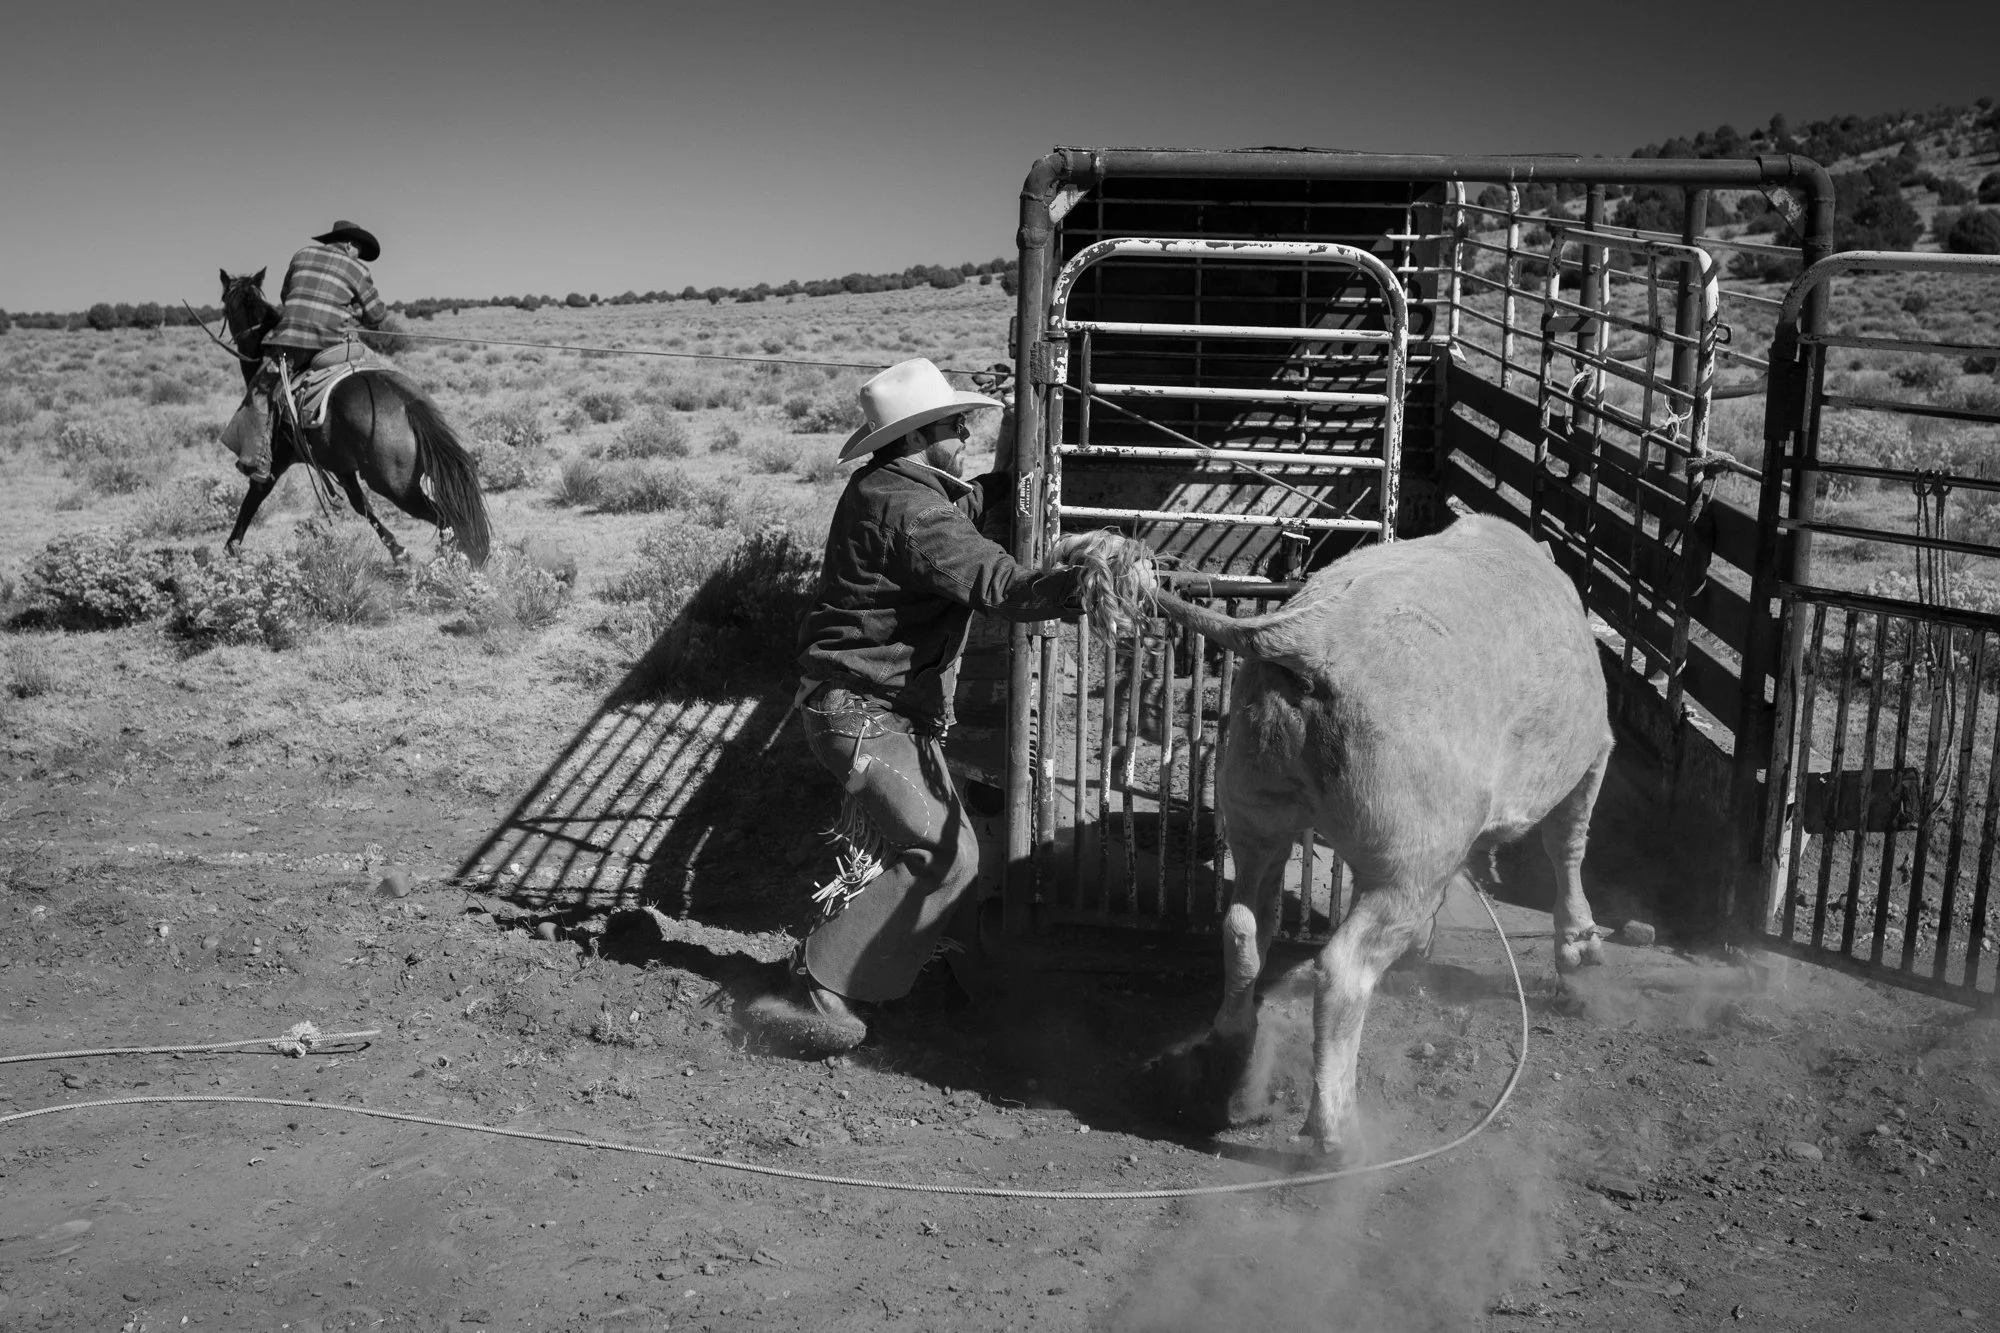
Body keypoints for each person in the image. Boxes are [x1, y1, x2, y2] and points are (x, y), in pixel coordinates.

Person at [738, 357, 1082, 1056]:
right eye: (958, 424)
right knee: (948, 853)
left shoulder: (891, 487)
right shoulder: (911, 510)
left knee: (954, 852)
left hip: (868, 709)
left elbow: (975, 504)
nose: (965, 433)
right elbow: (1003, 585)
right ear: (926, 433)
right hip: (863, 712)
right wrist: (1088, 585)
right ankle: (819, 978)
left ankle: (914, 978)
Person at [265, 220, 390, 373]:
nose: (358, 257)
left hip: (288, 341)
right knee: (374, 365)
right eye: (359, 250)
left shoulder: (301, 255)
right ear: (349, 245)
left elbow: (285, 296)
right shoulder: (357, 269)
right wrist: (360, 316)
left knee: (264, 382)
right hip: (330, 345)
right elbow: (377, 315)